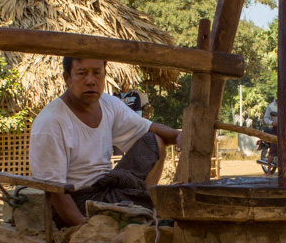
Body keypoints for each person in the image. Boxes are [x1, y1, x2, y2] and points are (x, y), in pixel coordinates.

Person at [30, 57, 181, 227]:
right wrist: (88, 229)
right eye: (82, 74)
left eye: (97, 73)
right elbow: (55, 193)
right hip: (78, 201)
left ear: (104, 75)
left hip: (108, 188)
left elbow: (148, 129)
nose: (90, 81)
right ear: (67, 78)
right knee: (157, 210)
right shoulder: (51, 122)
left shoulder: (109, 104)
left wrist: (180, 137)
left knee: (154, 142)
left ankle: (140, 212)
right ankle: (139, 214)